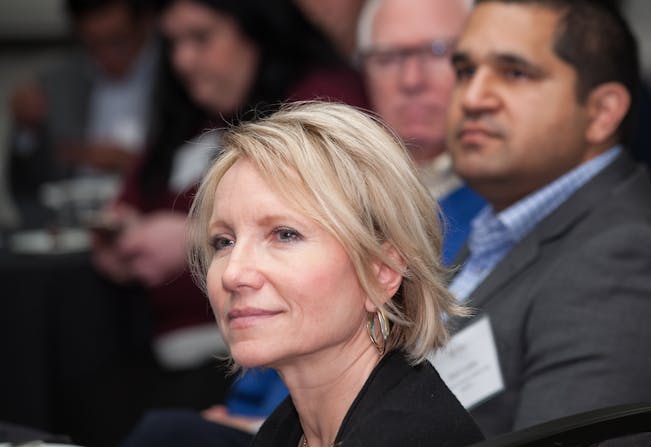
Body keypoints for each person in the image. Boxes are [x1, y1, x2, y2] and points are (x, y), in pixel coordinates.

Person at [443, 1, 651, 445]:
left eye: (515, 73)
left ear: (601, 112)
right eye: (465, 71)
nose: (474, 97)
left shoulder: (630, 267)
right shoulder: (499, 224)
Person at [84, 1, 367, 445]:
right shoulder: (191, 108)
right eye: (173, 42)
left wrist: (198, 241)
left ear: (257, 30)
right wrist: (119, 234)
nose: (183, 59)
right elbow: (131, 194)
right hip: (166, 348)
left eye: (201, 38)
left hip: (258, 362)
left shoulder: (318, 103)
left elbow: (328, 225)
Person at [187, 101, 485, 447]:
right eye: (224, 241)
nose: (233, 273)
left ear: (382, 272)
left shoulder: (413, 437)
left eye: (284, 234)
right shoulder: (286, 431)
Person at [356, 0, 485, 265]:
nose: (411, 80)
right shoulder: (338, 192)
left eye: (438, 52)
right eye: (387, 58)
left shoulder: (515, 193)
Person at [8, 0, 157, 198]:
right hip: (72, 215)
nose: (106, 56)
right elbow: (27, 187)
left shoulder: (179, 76)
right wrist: (26, 131)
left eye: (117, 41)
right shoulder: (57, 83)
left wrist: (137, 164)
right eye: (93, 45)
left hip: (156, 212)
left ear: (146, 23)